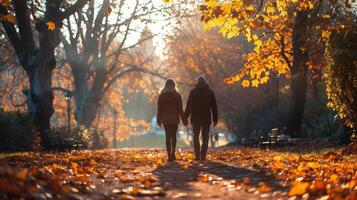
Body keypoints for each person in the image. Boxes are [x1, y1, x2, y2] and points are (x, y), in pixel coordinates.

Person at [185, 76, 218, 161]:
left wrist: (185, 117)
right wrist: (215, 119)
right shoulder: (210, 92)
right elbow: (214, 107)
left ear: (197, 82)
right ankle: (203, 155)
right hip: (206, 118)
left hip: (195, 118)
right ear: (205, 82)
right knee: (205, 137)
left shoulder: (193, 92)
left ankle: (197, 155)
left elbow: (189, 106)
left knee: (196, 136)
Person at [157, 79, 187, 161]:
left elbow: (160, 110)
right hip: (174, 119)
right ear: (174, 86)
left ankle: (169, 156)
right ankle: (173, 153)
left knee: (167, 136)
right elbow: (180, 109)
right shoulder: (177, 96)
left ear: (165, 86)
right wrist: (184, 120)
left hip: (165, 119)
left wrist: (158, 120)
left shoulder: (161, 96)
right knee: (173, 136)